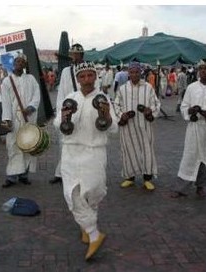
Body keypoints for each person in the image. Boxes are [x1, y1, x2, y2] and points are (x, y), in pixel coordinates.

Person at [53, 61, 118, 260]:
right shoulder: (70, 98)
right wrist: (64, 118)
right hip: (71, 152)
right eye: (82, 77)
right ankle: (93, 233)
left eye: (90, 76)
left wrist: (106, 115)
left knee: (93, 193)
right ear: (78, 79)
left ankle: (85, 227)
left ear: (95, 77)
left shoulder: (103, 98)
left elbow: (114, 129)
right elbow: (57, 124)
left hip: (94, 152)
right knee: (72, 194)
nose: (87, 80)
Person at [171, 60, 206, 198]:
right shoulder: (191, 87)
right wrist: (190, 110)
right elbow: (184, 106)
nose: (203, 71)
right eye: (201, 68)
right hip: (195, 128)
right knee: (190, 157)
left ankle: (201, 187)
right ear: (198, 70)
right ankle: (181, 188)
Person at [114, 61, 161, 191]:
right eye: (131, 72)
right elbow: (116, 104)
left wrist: (149, 111)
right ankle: (130, 178)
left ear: (140, 72)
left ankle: (147, 179)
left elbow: (156, 104)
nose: (134, 75)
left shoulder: (148, 87)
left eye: (136, 72)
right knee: (128, 150)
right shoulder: (123, 89)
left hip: (144, 125)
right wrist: (121, 115)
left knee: (147, 150)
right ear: (128, 73)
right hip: (128, 127)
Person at [0, 54, 40, 188]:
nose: (19, 63)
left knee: (28, 144)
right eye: (17, 61)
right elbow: (5, 102)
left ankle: (24, 175)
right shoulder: (7, 81)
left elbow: (36, 94)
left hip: (28, 117)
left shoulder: (31, 79)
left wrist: (31, 107)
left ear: (25, 65)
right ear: (13, 63)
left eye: (22, 62)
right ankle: (11, 177)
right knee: (13, 145)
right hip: (14, 118)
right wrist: (7, 119)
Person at [50, 43, 86, 185]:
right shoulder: (66, 71)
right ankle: (61, 173)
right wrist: (61, 113)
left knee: (82, 143)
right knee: (64, 144)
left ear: (82, 55)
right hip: (69, 110)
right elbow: (61, 94)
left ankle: (80, 173)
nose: (74, 56)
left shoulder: (88, 69)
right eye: (72, 54)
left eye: (77, 54)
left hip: (84, 110)